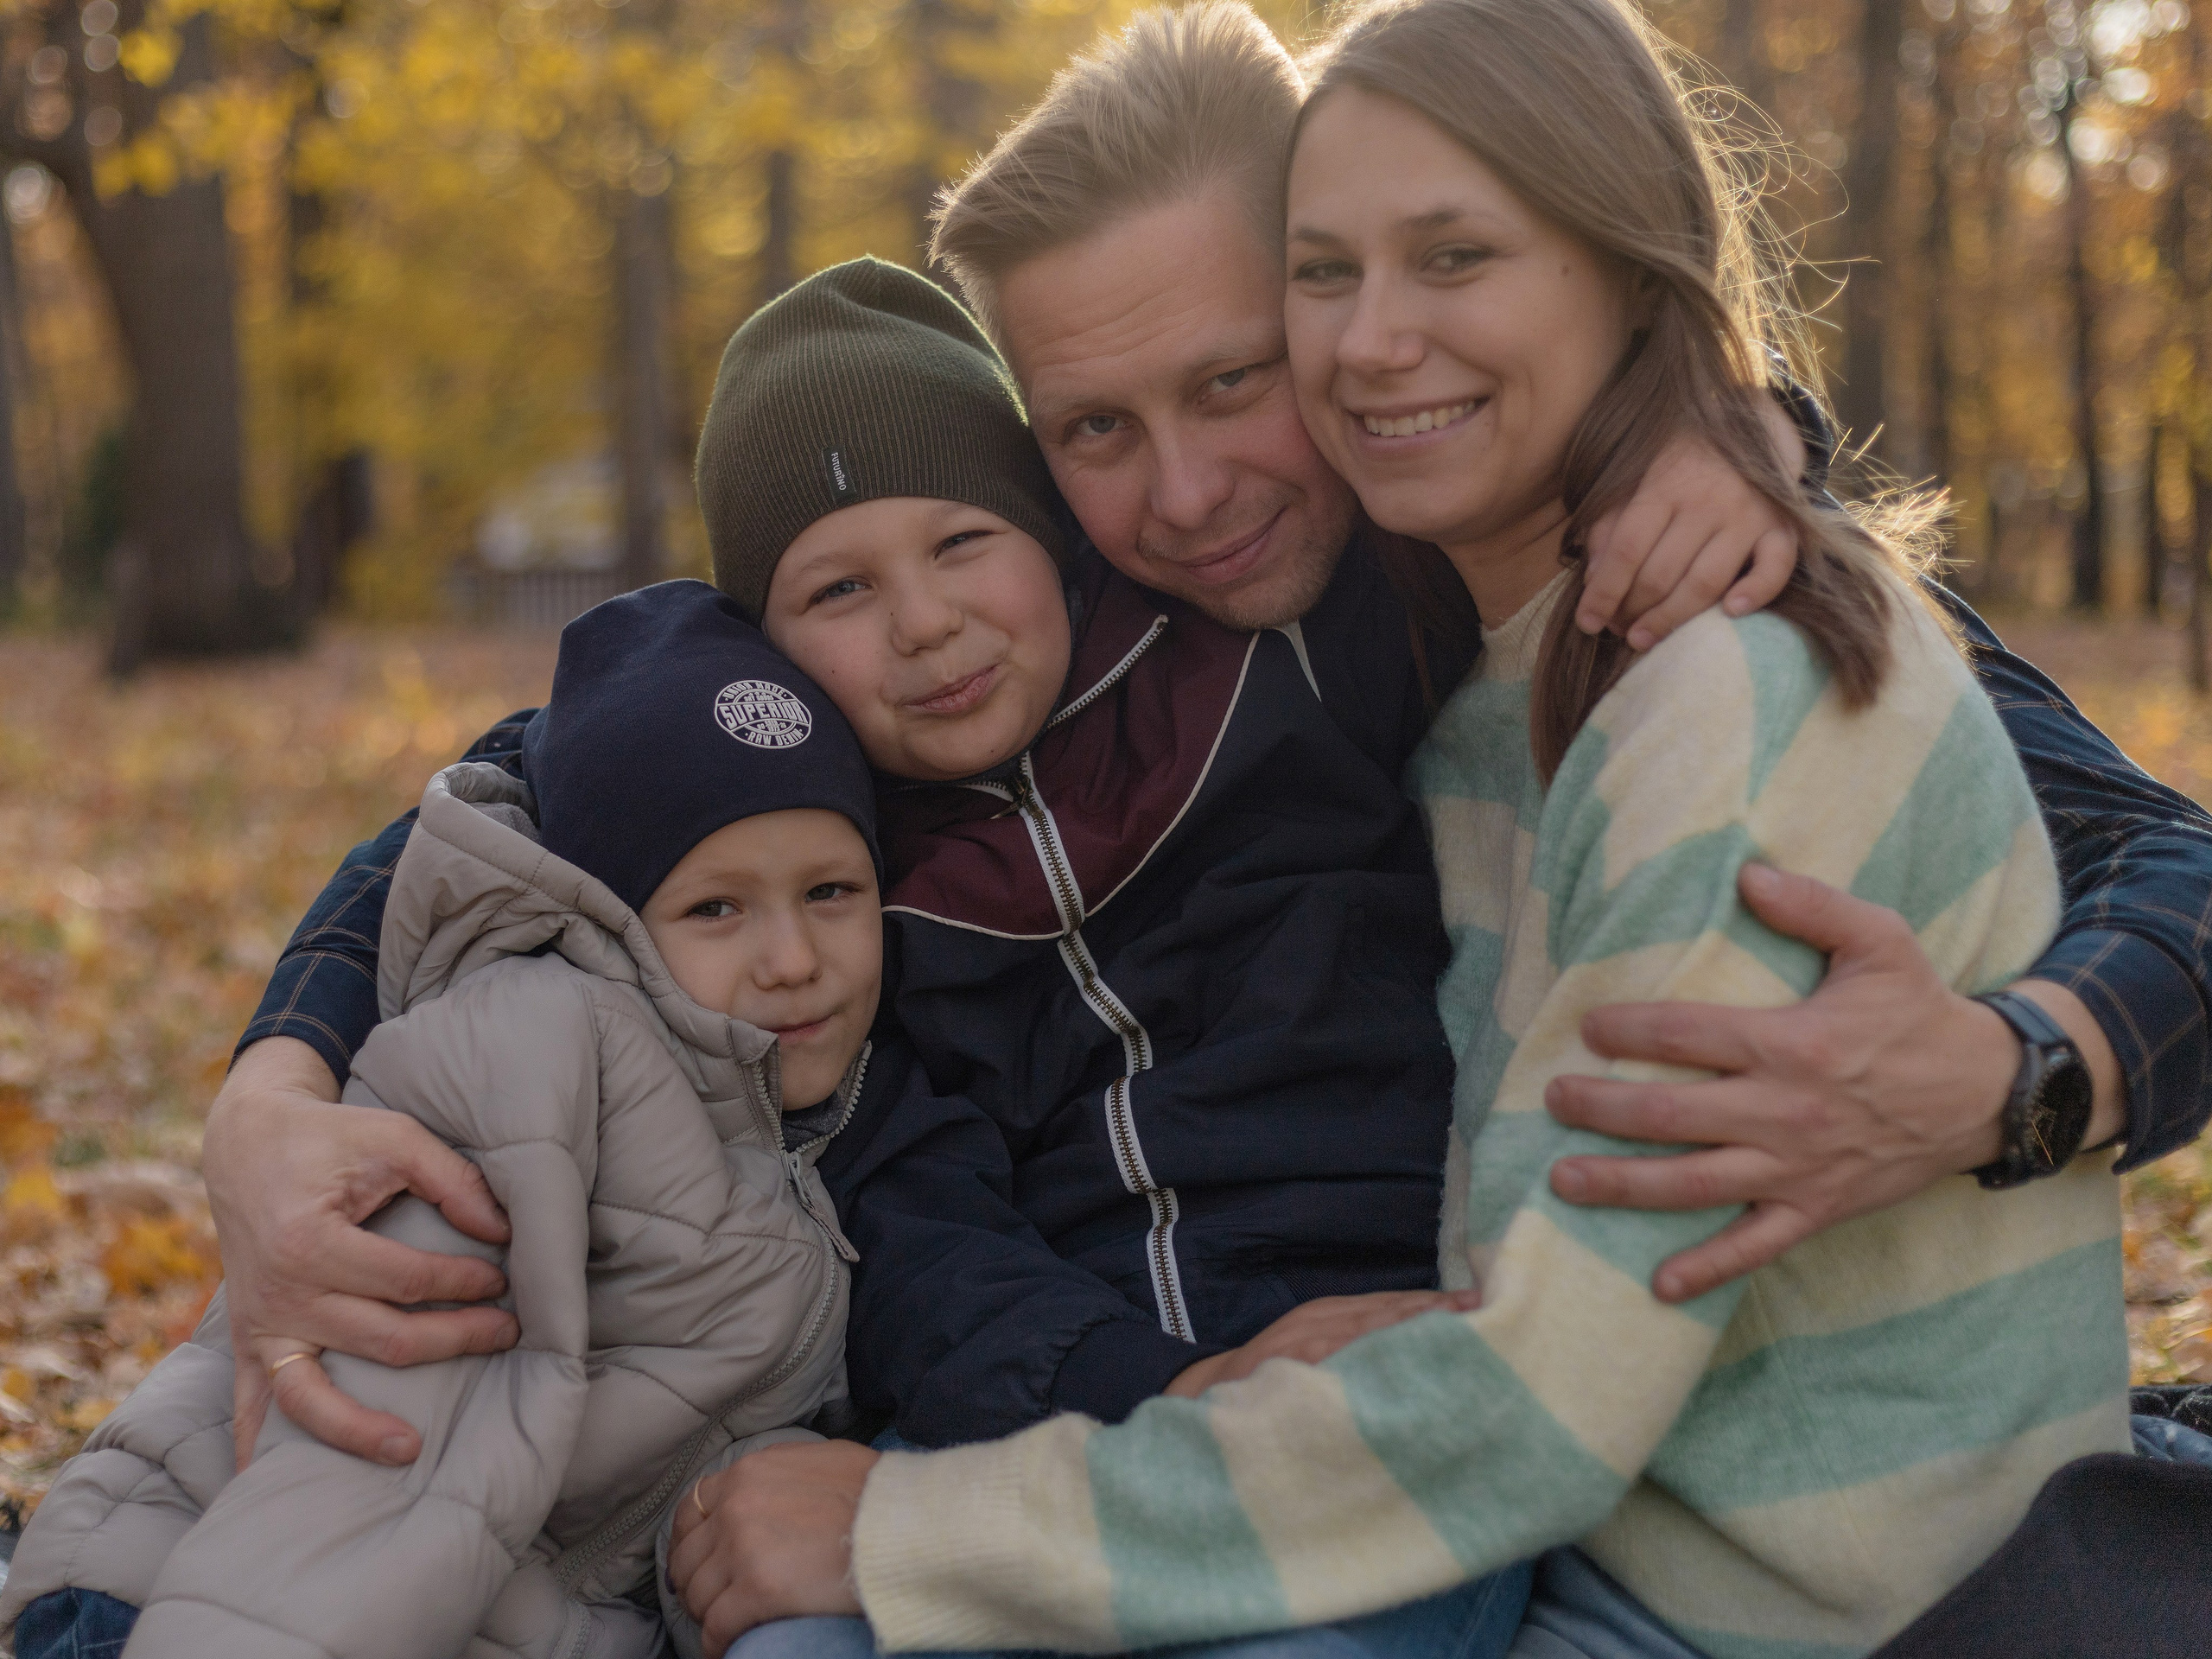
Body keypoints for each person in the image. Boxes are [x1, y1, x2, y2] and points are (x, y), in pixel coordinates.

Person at [659, 1, 2166, 1653]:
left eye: (1235, 376)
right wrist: (311, 1050)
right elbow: (617, 753)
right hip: (1493, 1481)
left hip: (1722, 1579)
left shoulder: (1722, 641)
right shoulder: (1356, 651)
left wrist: (2024, 1069)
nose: (1182, 495)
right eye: (1097, 428)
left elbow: (1531, 1410)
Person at [0, 582, 883, 1658]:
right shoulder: (535, 1048)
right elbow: (368, 1455)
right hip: (183, 1589)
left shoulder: (775, 1125)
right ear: (607, 911)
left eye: (833, 892)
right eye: (715, 907)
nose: (791, 959)